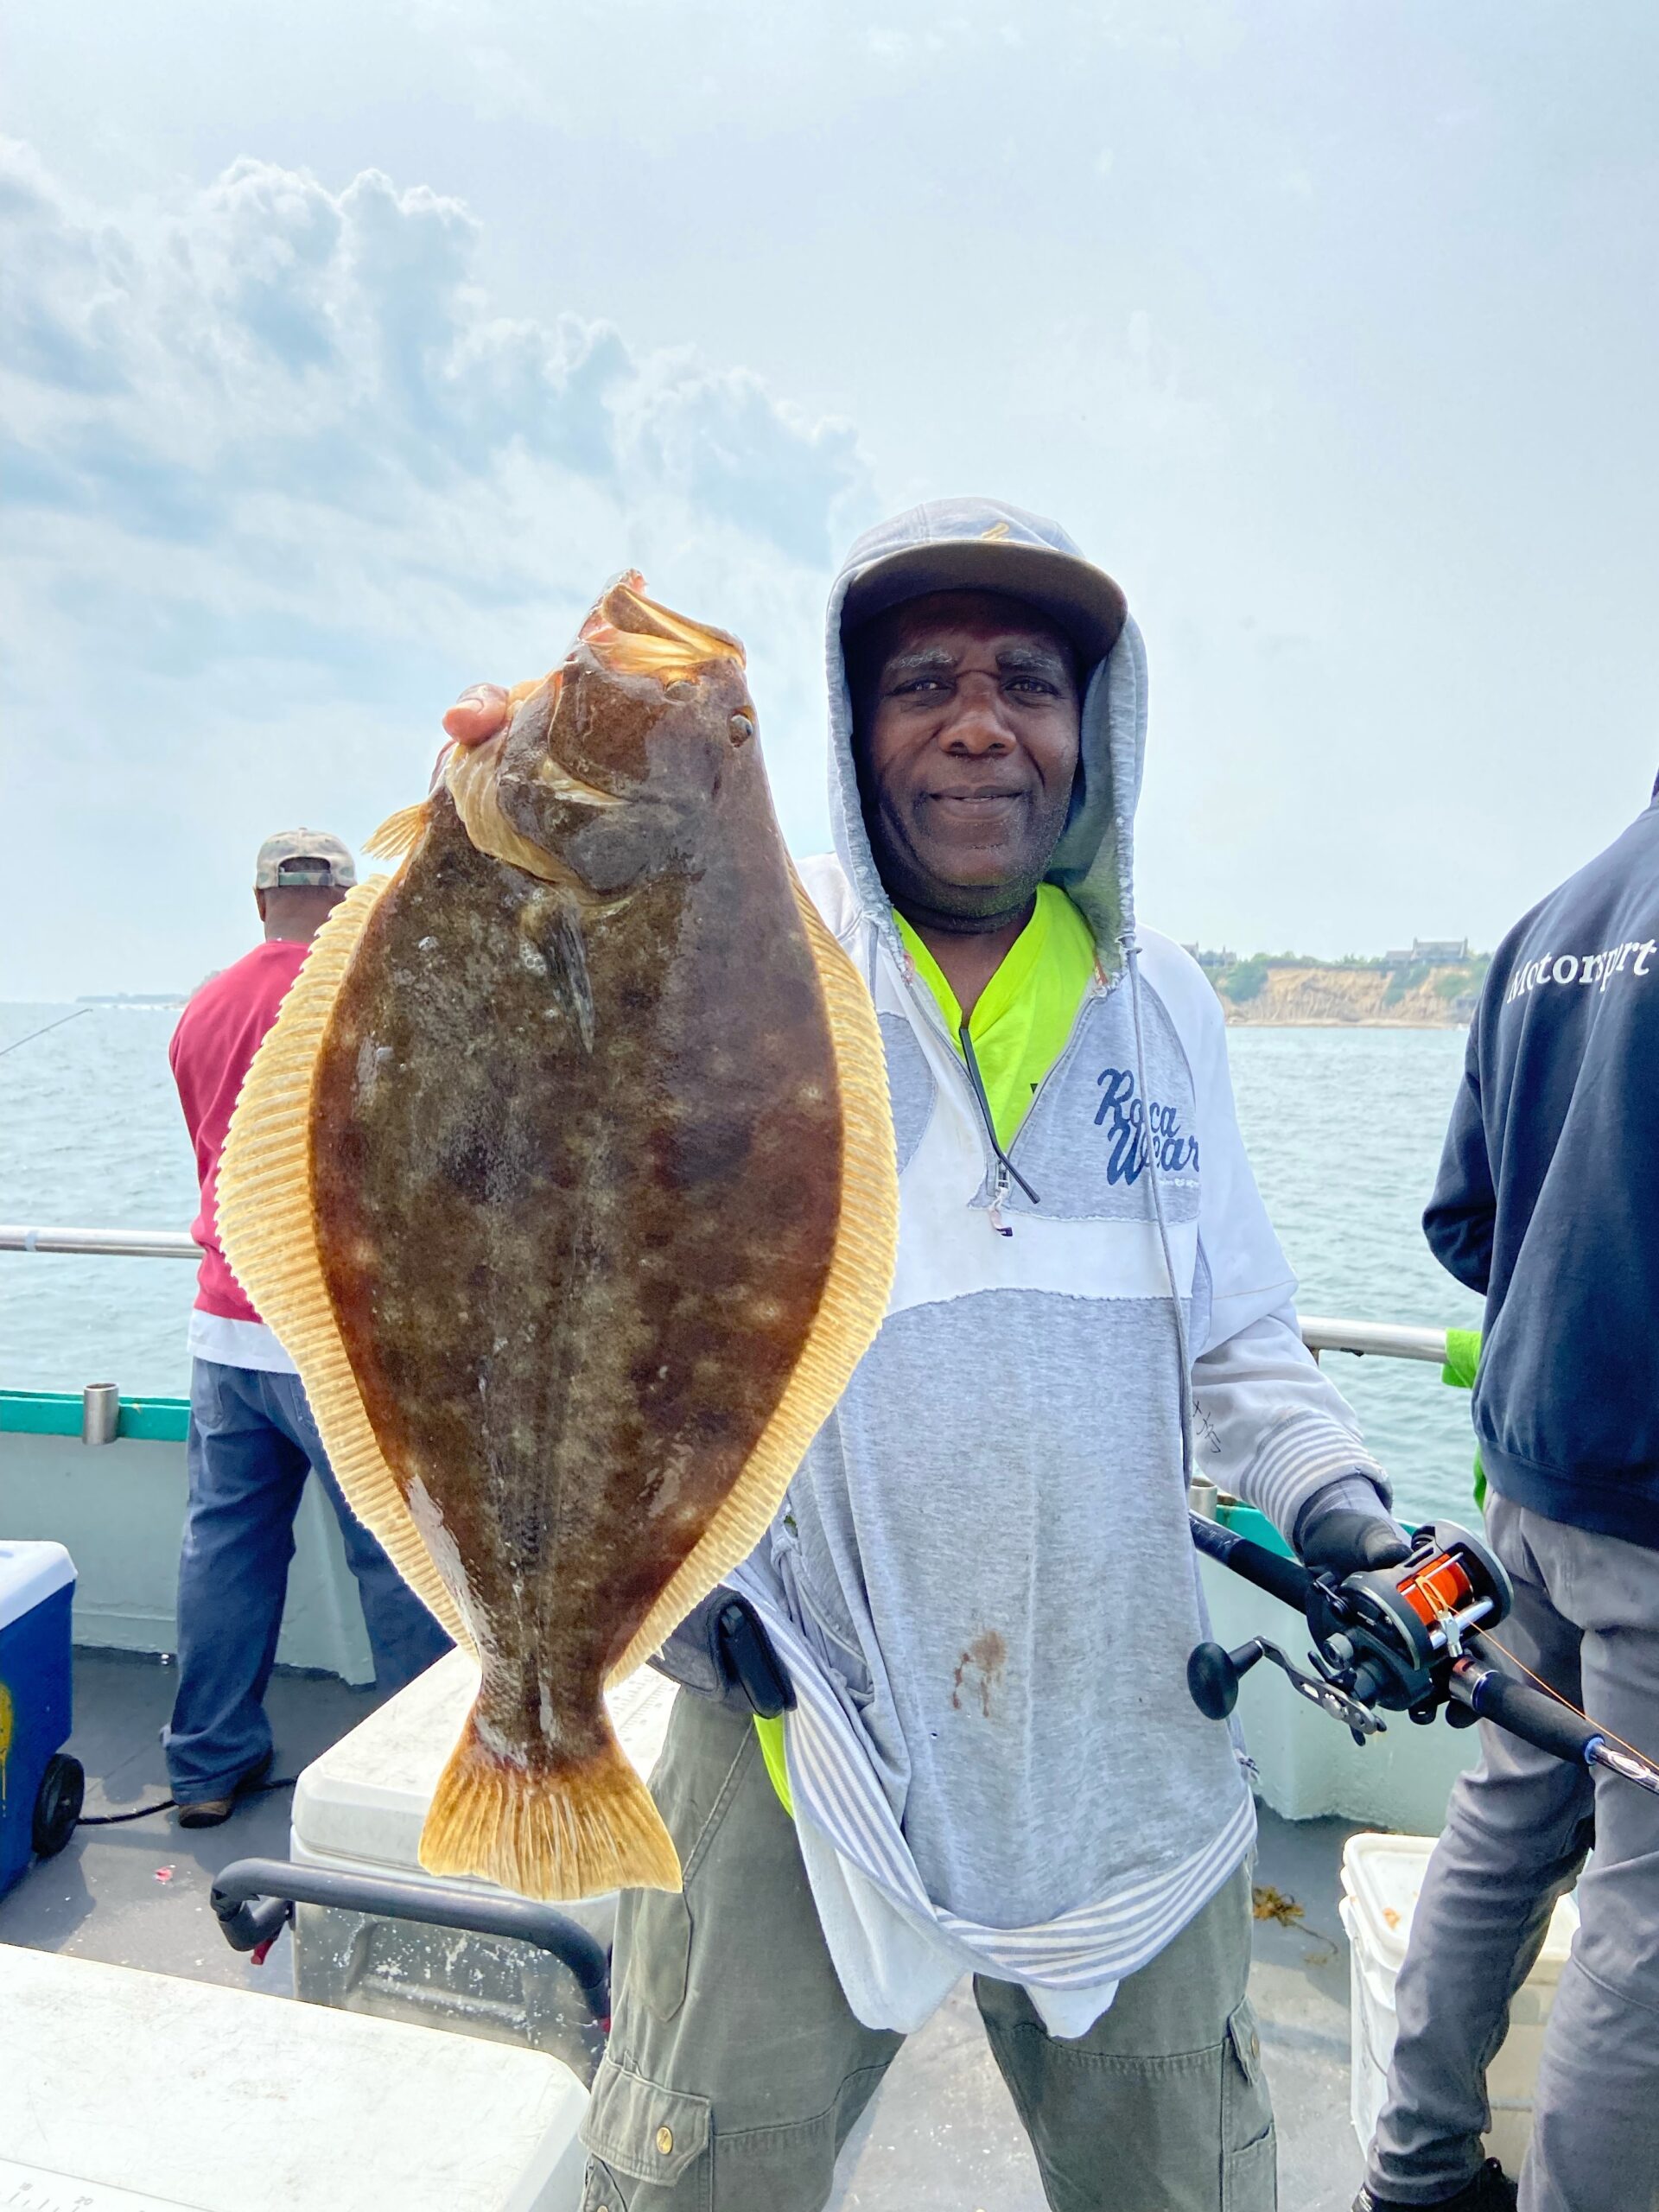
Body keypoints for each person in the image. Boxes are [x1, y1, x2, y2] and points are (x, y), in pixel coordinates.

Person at [445, 499, 1408, 2212]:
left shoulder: (1169, 1006)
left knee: (1184, 2180)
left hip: (1127, 1744)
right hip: (791, 1726)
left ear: (1091, 728)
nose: (980, 722)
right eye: (924, 683)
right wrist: (499, 851)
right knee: (687, 2180)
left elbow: (1246, 1341)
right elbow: (530, 1209)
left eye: (1027, 680)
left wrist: (1347, 1515)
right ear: (849, 726)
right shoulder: (737, 970)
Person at [1357, 788, 1659, 2212]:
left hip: (1535, 1484)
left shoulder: (1554, 923)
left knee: (1511, 1813)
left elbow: (1462, 1221)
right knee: (1647, 1920)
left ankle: (1414, 2169)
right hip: (1653, 1518)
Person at [164, 830, 452, 1827]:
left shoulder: (204, 1006)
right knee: (397, 1554)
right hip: (331, 1337)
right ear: (348, 897)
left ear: (258, 901)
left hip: (220, 1332)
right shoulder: (362, 991)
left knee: (225, 1551)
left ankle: (205, 1761)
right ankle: (424, 1774)